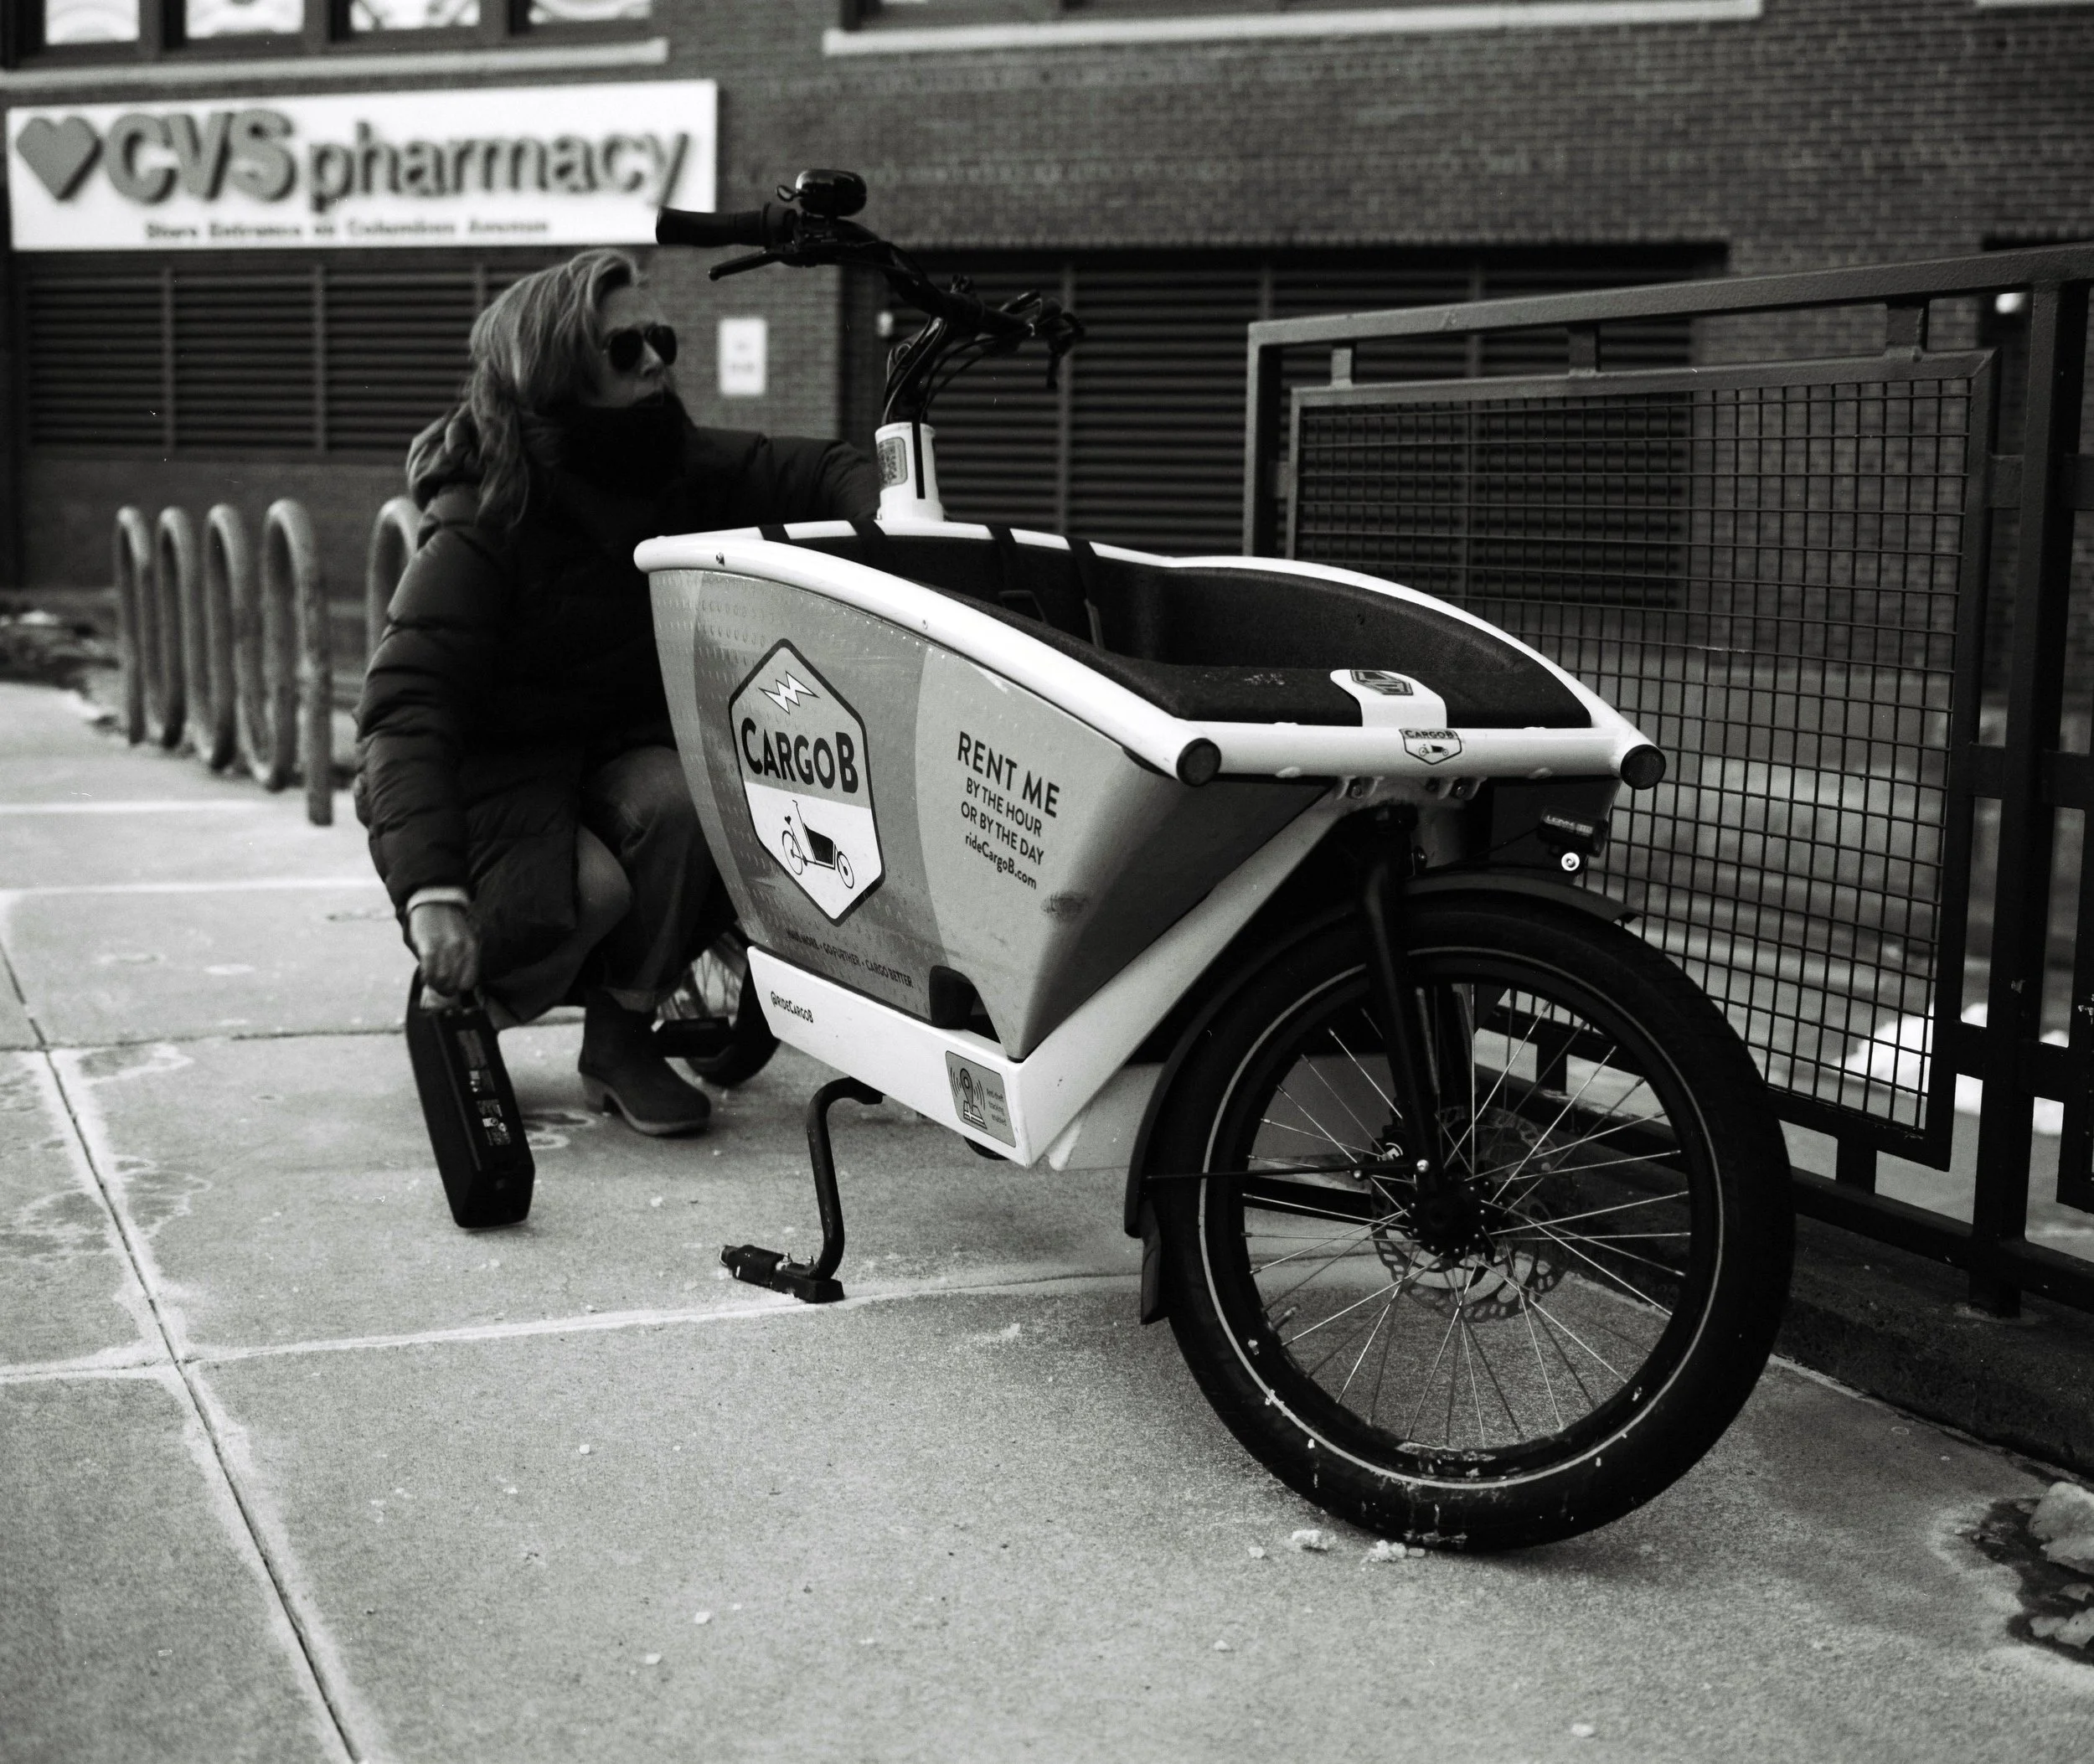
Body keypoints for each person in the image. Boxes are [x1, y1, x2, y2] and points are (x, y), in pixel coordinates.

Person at [356, 248, 878, 1135]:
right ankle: (468, 988)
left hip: (601, 756)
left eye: (659, 339)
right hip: (493, 777)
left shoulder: (666, 461)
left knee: (693, 800)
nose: (655, 362)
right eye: (623, 349)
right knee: (587, 892)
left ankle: (620, 1039)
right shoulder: (483, 518)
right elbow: (406, 710)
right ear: (557, 371)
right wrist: (431, 892)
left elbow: (819, 466)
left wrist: (895, 517)